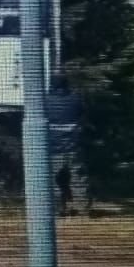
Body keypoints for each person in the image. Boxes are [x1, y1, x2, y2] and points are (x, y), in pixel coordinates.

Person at [46, 73, 91, 216]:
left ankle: (57, 210)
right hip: (74, 146)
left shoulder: (45, 101)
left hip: (53, 147)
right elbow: (83, 114)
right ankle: (83, 210)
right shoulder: (76, 99)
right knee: (79, 179)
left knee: (52, 180)